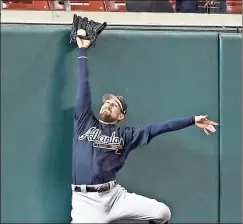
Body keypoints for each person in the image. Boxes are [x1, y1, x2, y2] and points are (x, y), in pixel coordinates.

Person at [71, 36, 219, 223]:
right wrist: (82, 50)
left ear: (121, 116)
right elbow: (83, 85)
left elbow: (160, 128)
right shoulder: (85, 121)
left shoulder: (126, 135)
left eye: (114, 104)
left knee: (162, 213)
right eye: (107, 102)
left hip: (115, 196)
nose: (108, 104)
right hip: (86, 202)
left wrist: (192, 120)